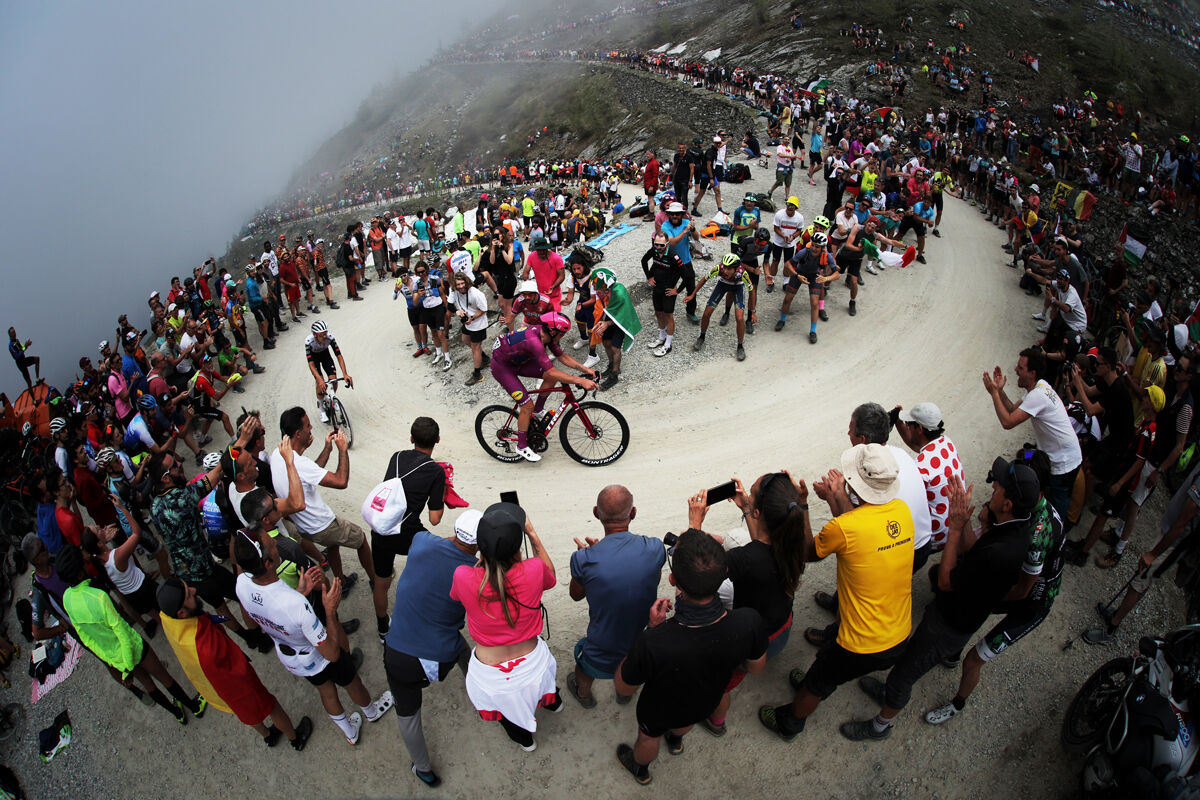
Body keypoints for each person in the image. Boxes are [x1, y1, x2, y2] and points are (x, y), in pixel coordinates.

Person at [838, 458, 1038, 740]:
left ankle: (880, 725)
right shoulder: (1013, 529)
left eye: (999, 488)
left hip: (949, 625)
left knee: (903, 676)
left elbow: (945, 582)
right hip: (949, 615)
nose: (993, 486)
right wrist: (965, 521)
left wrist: (954, 529)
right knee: (910, 656)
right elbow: (972, 551)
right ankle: (887, 693)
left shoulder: (1003, 549)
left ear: (1007, 505)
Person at [758, 444, 913, 740]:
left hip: (862, 643)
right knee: (827, 663)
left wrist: (804, 505)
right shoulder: (900, 510)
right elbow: (856, 529)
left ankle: (790, 721)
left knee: (821, 681)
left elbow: (808, 551)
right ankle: (813, 682)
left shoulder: (846, 528)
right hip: (898, 631)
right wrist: (838, 497)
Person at [614, 530, 767, 785]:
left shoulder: (655, 641)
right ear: (723, 575)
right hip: (705, 700)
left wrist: (651, 630)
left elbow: (623, 686)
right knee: (685, 720)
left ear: (673, 580)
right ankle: (675, 741)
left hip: (660, 707)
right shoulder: (748, 621)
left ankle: (640, 768)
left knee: (648, 738)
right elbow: (756, 667)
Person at [927, 448, 1065, 722]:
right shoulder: (1028, 509)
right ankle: (952, 652)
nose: (997, 487)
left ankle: (957, 704)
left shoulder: (1037, 534)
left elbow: (1023, 590)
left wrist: (981, 594)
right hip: (1015, 582)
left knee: (974, 659)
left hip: (1032, 602)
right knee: (970, 609)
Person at [233, 535, 394, 745]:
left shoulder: (242, 583)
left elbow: (273, 609)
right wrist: (329, 611)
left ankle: (349, 732)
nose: (277, 545)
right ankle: (372, 712)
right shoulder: (296, 606)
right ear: (267, 563)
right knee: (351, 680)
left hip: (294, 656)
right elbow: (332, 653)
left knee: (326, 690)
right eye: (273, 546)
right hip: (319, 652)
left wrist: (300, 593)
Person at [450, 503, 562, 751]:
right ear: (516, 548)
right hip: (533, 661)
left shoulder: (462, 575)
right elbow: (551, 576)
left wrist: (482, 565)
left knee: (505, 713)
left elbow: (457, 596)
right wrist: (532, 534)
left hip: (490, 676)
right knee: (546, 685)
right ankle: (554, 703)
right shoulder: (533, 570)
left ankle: (526, 741)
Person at [382, 510, 481, 788]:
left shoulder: (423, 541)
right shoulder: (476, 572)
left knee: (408, 715)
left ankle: (423, 769)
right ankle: (480, 691)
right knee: (461, 646)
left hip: (399, 656)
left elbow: (436, 540)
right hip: (441, 657)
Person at [156, 577, 313, 750]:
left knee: (244, 713)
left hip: (221, 688)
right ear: (182, 613)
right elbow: (237, 670)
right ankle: (295, 738)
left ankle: (268, 736)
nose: (194, 590)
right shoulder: (205, 647)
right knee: (271, 705)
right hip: (236, 684)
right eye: (188, 595)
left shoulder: (167, 617)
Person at [56, 544, 206, 724]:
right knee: (163, 677)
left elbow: (86, 638)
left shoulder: (67, 599)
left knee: (148, 685)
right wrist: (128, 662)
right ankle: (194, 707)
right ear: (79, 573)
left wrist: (120, 665)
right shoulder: (98, 597)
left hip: (117, 658)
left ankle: (178, 714)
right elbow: (121, 631)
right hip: (134, 648)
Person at [566, 486, 665, 709]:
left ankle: (583, 694)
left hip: (601, 647)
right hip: (640, 643)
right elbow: (653, 580)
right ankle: (625, 695)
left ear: (596, 513)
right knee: (633, 672)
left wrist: (589, 559)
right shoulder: (654, 548)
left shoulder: (584, 559)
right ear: (633, 513)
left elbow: (575, 595)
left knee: (584, 668)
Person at [1083, 455, 1200, 644]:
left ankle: (1111, 629)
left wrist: (1153, 554)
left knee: (1141, 580)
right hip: (1170, 533)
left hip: (1174, 541)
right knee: (1141, 579)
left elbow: (1182, 523)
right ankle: (1117, 614)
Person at [271, 407, 377, 596]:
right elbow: (340, 481)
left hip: (305, 527)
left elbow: (309, 474)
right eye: (307, 426)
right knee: (360, 538)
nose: (311, 428)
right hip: (322, 524)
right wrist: (342, 450)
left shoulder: (277, 454)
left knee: (333, 545)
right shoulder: (299, 463)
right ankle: (375, 581)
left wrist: (327, 448)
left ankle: (341, 583)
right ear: (298, 433)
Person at [982, 347, 1083, 520]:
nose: (1015, 370)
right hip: (1049, 454)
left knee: (1056, 506)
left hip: (1062, 462)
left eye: (1020, 368)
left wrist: (993, 394)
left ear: (1032, 373)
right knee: (1023, 455)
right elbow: (1013, 409)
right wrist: (999, 391)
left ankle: (1054, 534)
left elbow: (1007, 422)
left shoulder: (1038, 395)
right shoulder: (1040, 387)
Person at [371, 416, 446, 641]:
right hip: (408, 533)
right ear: (438, 440)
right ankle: (427, 613)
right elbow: (434, 519)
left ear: (411, 438)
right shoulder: (436, 471)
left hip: (382, 528)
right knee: (439, 559)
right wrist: (441, 493)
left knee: (381, 582)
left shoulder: (397, 456)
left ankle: (383, 627)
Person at [488, 312, 598, 462]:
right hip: (502, 367)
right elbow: (552, 370)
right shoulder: (535, 341)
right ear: (553, 331)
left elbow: (562, 357)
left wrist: (587, 370)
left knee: (550, 378)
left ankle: (539, 410)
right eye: (562, 333)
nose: (563, 336)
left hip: (518, 361)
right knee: (527, 405)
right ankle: (521, 446)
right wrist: (579, 381)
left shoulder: (546, 334)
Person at [891, 402, 965, 549]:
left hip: (935, 537)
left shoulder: (921, 467)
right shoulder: (946, 443)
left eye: (908, 424)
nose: (907, 427)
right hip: (953, 526)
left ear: (919, 428)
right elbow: (916, 444)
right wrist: (898, 421)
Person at [687, 253, 754, 361]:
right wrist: (692, 294)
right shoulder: (719, 268)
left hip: (738, 287)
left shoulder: (743, 274)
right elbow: (704, 279)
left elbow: (752, 292)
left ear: (736, 268)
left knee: (740, 318)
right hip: (722, 285)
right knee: (706, 313)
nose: (725, 271)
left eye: (729, 268)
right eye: (725, 267)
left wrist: (752, 312)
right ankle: (701, 337)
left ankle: (740, 346)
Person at [775, 232, 838, 343]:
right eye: (813, 245)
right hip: (800, 273)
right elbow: (788, 264)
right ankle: (782, 320)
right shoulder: (805, 251)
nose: (814, 248)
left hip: (815, 276)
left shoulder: (827, 256)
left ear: (822, 248)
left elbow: (837, 274)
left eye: (817, 247)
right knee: (787, 299)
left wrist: (826, 279)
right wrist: (797, 275)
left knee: (814, 303)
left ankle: (813, 331)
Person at [640, 231, 686, 357]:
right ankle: (661, 337)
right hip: (657, 288)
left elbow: (686, 274)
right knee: (658, 313)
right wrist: (649, 276)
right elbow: (644, 260)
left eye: (661, 245)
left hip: (668, 290)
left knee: (668, 316)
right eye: (656, 244)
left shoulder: (673, 255)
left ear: (667, 243)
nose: (659, 248)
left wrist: (677, 290)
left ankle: (668, 344)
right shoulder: (654, 251)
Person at [305, 320, 353, 424]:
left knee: (333, 379)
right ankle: (321, 408)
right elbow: (311, 364)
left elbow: (339, 356)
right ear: (315, 335)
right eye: (321, 335)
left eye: (325, 333)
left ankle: (332, 397)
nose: (324, 337)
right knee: (320, 382)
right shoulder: (309, 341)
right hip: (314, 359)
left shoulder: (329, 337)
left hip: (325, 356)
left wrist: (345, 374)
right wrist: (319, 380)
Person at [660, 202, 700, 323]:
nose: (675, 216)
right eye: (673, 214)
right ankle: (667, 313)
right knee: (669, 288)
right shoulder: (665, 226)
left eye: (677, 214)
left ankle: (690, 311)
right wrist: (685, 231)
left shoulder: (686, 223)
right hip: (671, 263)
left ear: (682, 214)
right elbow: (672, 242)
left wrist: (692, 229)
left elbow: (697, 238)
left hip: (686, 260)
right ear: (668, 214)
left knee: (691, 288)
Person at [451, 271, 490, 385]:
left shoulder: (476, 294)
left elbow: (484, 309)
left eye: (462, 283)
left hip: (478, 324)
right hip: (468, 323)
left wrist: (472, 318)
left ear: (466, 282)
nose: (461, 286)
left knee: (475, 347)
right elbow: (450, 304)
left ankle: (477, 375)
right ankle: (484, 358)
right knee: (465, 340)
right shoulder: (456, 292)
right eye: (458, 284)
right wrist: (458, 311)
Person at [8, 327, 41, 393]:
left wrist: (27, 345)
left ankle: (37, 379)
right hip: (20, 363)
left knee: (37, 359)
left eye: (14, 332)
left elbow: (22, 348)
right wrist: (25, 347)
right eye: (12, 333)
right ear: (10, 335)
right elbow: (16, 356)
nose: (14, 334)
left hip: (23, 359)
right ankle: (34, 400)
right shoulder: (11, 345)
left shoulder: (16, 340)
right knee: (29, 381)